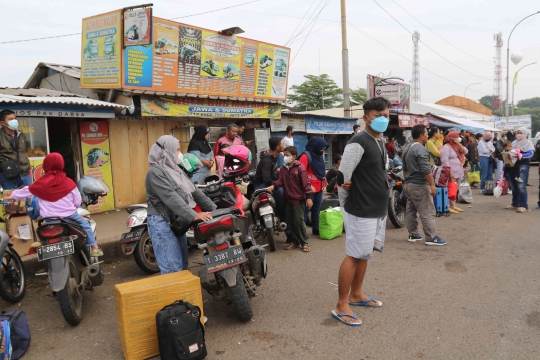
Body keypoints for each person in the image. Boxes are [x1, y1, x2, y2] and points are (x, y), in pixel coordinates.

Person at [331, 97, 390, 327]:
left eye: (386, 115)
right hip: (361, 209)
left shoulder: (379, 140)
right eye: (378, 116)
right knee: (354, 254)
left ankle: (357, 294)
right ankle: (341, 304)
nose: (383, 119)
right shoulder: (358, 141)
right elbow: (342, 177)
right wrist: (349, 202)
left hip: (376, 208)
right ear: (366, 118)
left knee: (365, 253)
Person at [146, 135, 217, 274]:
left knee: (183, 266)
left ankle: (183, 296)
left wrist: (216, 209)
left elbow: (194, 191)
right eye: (177, 150)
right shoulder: (154, 172)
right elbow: (170, 197)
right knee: (173, 270)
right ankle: (175, 297)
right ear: (166, 151)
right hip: (162, 222)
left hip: (178, 221)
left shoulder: (176, 169)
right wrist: (194, 215)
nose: (180, 154)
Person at [8, 153, 104, 256]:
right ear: (61, 164)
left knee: (42, 227)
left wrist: (11, 196)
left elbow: (24, 191)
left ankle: (42, 243)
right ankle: (94, 247)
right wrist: (73, 208)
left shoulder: (40, 184)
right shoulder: (69, 182)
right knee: (85, 225)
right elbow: (77, 201)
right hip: (70, 216)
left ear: (45, 165)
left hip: (49, 218)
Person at [402, 124, 447, 246]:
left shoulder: (407, 149)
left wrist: (408, 180)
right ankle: (431, 237)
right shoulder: (421, 150)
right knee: (427, 211)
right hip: (420, 185)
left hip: (408, 184)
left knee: (411, 211)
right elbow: (425, 170)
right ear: (421, 135)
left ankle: (413, 234)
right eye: (426, 134)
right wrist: (432, 185)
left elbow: (404, 170)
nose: (428, 135)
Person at [267, 146, 313, 252]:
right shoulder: (283, 169)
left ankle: (304, 242)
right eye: (284, 155)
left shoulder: (300, 168)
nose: (285, 157)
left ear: (294, 157)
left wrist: (309, 197)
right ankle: (295, 242)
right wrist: (273, 186)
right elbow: (280, 181)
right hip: (288, 199)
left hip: (298, 200)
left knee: (298, 221)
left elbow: (306, 184)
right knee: (290, 222)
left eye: (287, 155)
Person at [253, 136, 288, 237]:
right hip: (262, 184)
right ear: (277, 147)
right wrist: (277, 183)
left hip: (268, 181)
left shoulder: (274, 157)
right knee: (281, 192)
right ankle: (282, 215)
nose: (284, 146)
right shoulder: (267, 160)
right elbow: (267, 179)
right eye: (282, 144)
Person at [298, 136, 328, 236]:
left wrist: (324, 183)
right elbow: (300, 173)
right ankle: (302, 232)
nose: (323, 150)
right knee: (306, 210)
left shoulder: (319, 156)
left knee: (316, 209)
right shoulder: (305, 156)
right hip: (308, 188)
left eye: (324, 149)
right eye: (321, 148)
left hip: (319, 187)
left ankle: (316, 229)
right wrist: (309, 185)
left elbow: (321, 172)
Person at [505, 127, 534, 213]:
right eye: (518, 132)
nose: (519, 134)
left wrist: (520, 155)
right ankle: (515, 203)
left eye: (521, 133)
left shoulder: (528, 143)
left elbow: (530, 153)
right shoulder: (514, 142)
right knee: (513, 185)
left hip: (522, 165)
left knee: (521, 185)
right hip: (512, 165)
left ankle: (523, 205)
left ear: (525, 134)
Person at [0, 110, 31, 189]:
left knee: (29, 199)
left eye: (15, 118)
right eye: (10, 119)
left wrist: (27, 167)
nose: (14, 121)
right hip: (7, 174)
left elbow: (23, 153)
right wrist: (5, 162)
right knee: (11, 199)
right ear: (2, 123)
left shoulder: (21, 135)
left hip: (24, 173)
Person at [440, 131, 468, 213]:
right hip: (451, 172)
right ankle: (447, 206)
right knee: (449, 188)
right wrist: (449, 172)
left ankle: (453, 205)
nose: (458, 138)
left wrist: (458, 143)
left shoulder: (457, 146)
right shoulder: (446, 147)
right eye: (456, 136)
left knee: (455, 189)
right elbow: (444, 161)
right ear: (451, 138)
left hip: (459, 171)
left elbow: (465, 151)